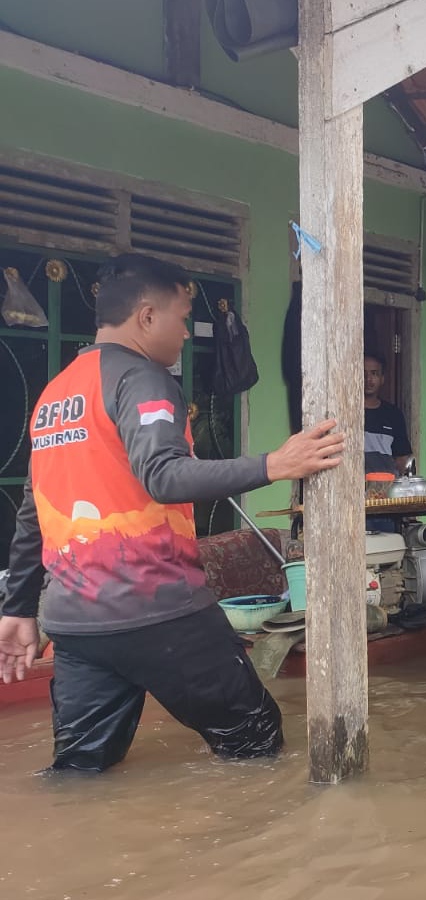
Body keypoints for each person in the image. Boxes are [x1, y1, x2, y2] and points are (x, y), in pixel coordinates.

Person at [0, 253, 345, 773]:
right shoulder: (141, 377)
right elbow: (163, 475)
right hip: (156, 609)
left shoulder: (56, 393)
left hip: (74, 622)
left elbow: (33, 512)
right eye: (182, 319)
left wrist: (18, 607)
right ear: (146, 317)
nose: (185, 334)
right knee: (256, 743)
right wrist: (274, 463)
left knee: (81, 769)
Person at [362, 351, 413, 474]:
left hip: (386, 488)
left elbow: (402, 459)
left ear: (382, 379)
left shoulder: (393, 415)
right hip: (352, 486)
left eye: (374, 373)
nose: (368, 379)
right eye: (363, 373)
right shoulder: (347, 414)